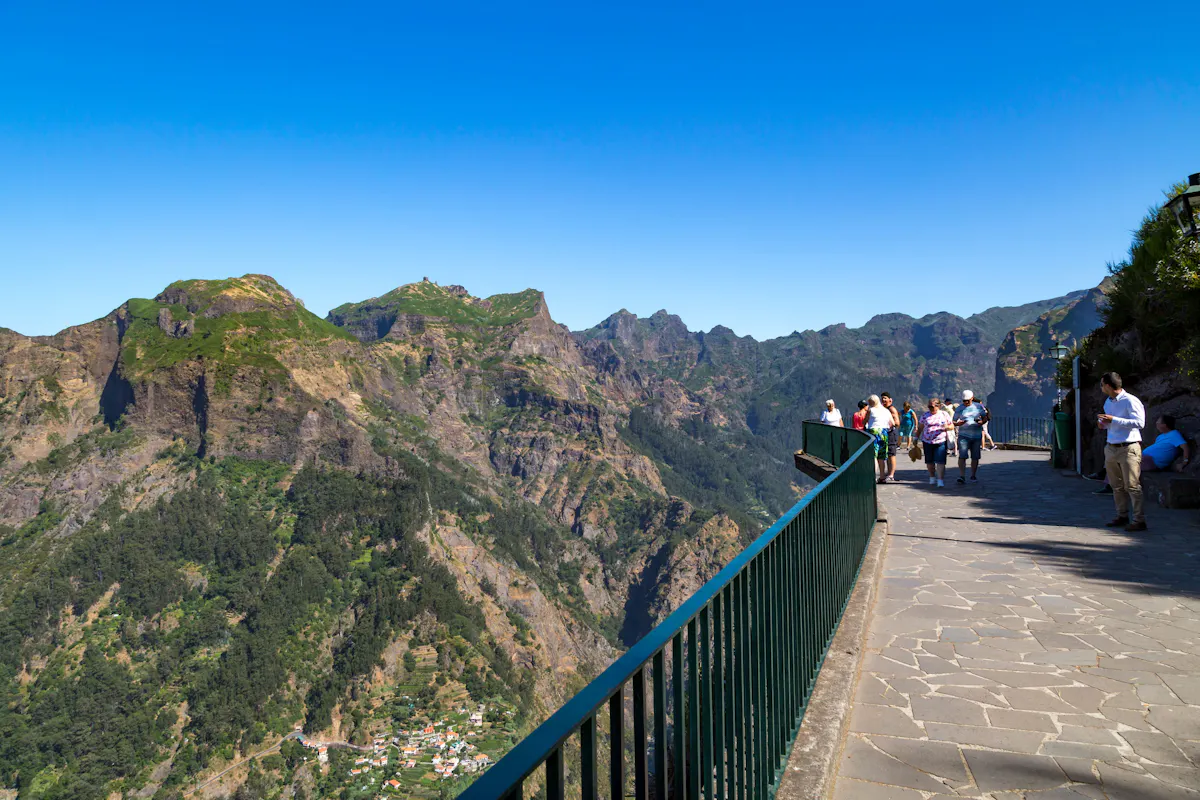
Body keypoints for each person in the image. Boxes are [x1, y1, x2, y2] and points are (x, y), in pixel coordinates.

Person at [1098, 372, 1147, 532]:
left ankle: (1139, 520)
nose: (1101, 387)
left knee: (1132, 485)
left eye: (1102, 384)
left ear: (1108, 385)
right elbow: (1111, 424)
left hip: (1128, 447)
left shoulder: (1130, 401)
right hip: (1111, 446)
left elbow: (1140, 423)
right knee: (1116, 485)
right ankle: (1122, 515)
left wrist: (1114, 419)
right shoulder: (1108, 402)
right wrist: (1104, 423)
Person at [952, 390, 989, 483]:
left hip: (976, 435)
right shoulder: (959, 408)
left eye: (967, 401)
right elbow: (953, 421)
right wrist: (958, 423)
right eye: (964, 401)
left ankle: (973, 475)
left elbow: (985, 417)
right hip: (963, 435)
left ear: (972, 398)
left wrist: (981, 422)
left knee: (975, 456)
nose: (966, 402)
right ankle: (962, 476)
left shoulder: (979, 406)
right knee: (962, 456)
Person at [916, 398, 953, 487]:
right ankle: (932, 477)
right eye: (929, 407)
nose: (931, 408)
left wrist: (947, 427)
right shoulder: (925, 415)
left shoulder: (944, 414)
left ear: (938, 406)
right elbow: (920, 427)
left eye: (932, 407)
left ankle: (940, 480)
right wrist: (916, 437)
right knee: (929, 462)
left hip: (940, 441)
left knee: (940, 461)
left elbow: (951, 426)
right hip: (927, 441)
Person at [865, 395, 893, 482]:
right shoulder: (886, 410)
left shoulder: (871, 410)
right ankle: (882, 476)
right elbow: (892, 423)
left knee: (873, 455)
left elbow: (865, 421)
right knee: (882, 456)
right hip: (884, 433)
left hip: (873, 432)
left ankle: (873, 476)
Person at [880, 392, 901, 482]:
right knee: (887, 454)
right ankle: (888, 473)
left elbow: (897, 423)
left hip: (891, 433)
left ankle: (891, 475)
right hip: (885, 433)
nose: (883, 400)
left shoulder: (891, 409)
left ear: (890, 400)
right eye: (882, 398)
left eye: (885, 398)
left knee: (891, 454)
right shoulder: (883, 409)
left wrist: (889, 420)